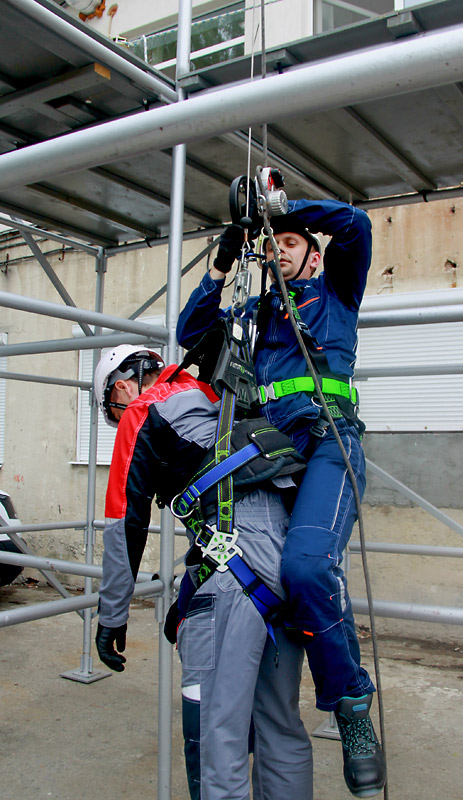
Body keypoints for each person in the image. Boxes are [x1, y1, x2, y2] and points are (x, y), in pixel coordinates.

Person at [176, 198, 386, 797]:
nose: (278, 250)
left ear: (313, 254)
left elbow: (356, 225)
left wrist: (280, 209)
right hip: (272, 461)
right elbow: (192, 335)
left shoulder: (336, 294)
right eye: (273, 244)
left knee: (308, 565)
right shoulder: (254, 314)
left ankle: (351, 709)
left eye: (291, 243)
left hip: (327, 445)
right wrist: (219, 268)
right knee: (277, 588)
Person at [92, 345, 313, 800]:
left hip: (232, 565)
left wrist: (112, 616)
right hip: (289, 557)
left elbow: (123, 523)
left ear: (121, 385)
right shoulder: (220, 391)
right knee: (281, 727)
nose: (118, 421)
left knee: (219, 735)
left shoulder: (143, 409)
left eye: (113, 412)